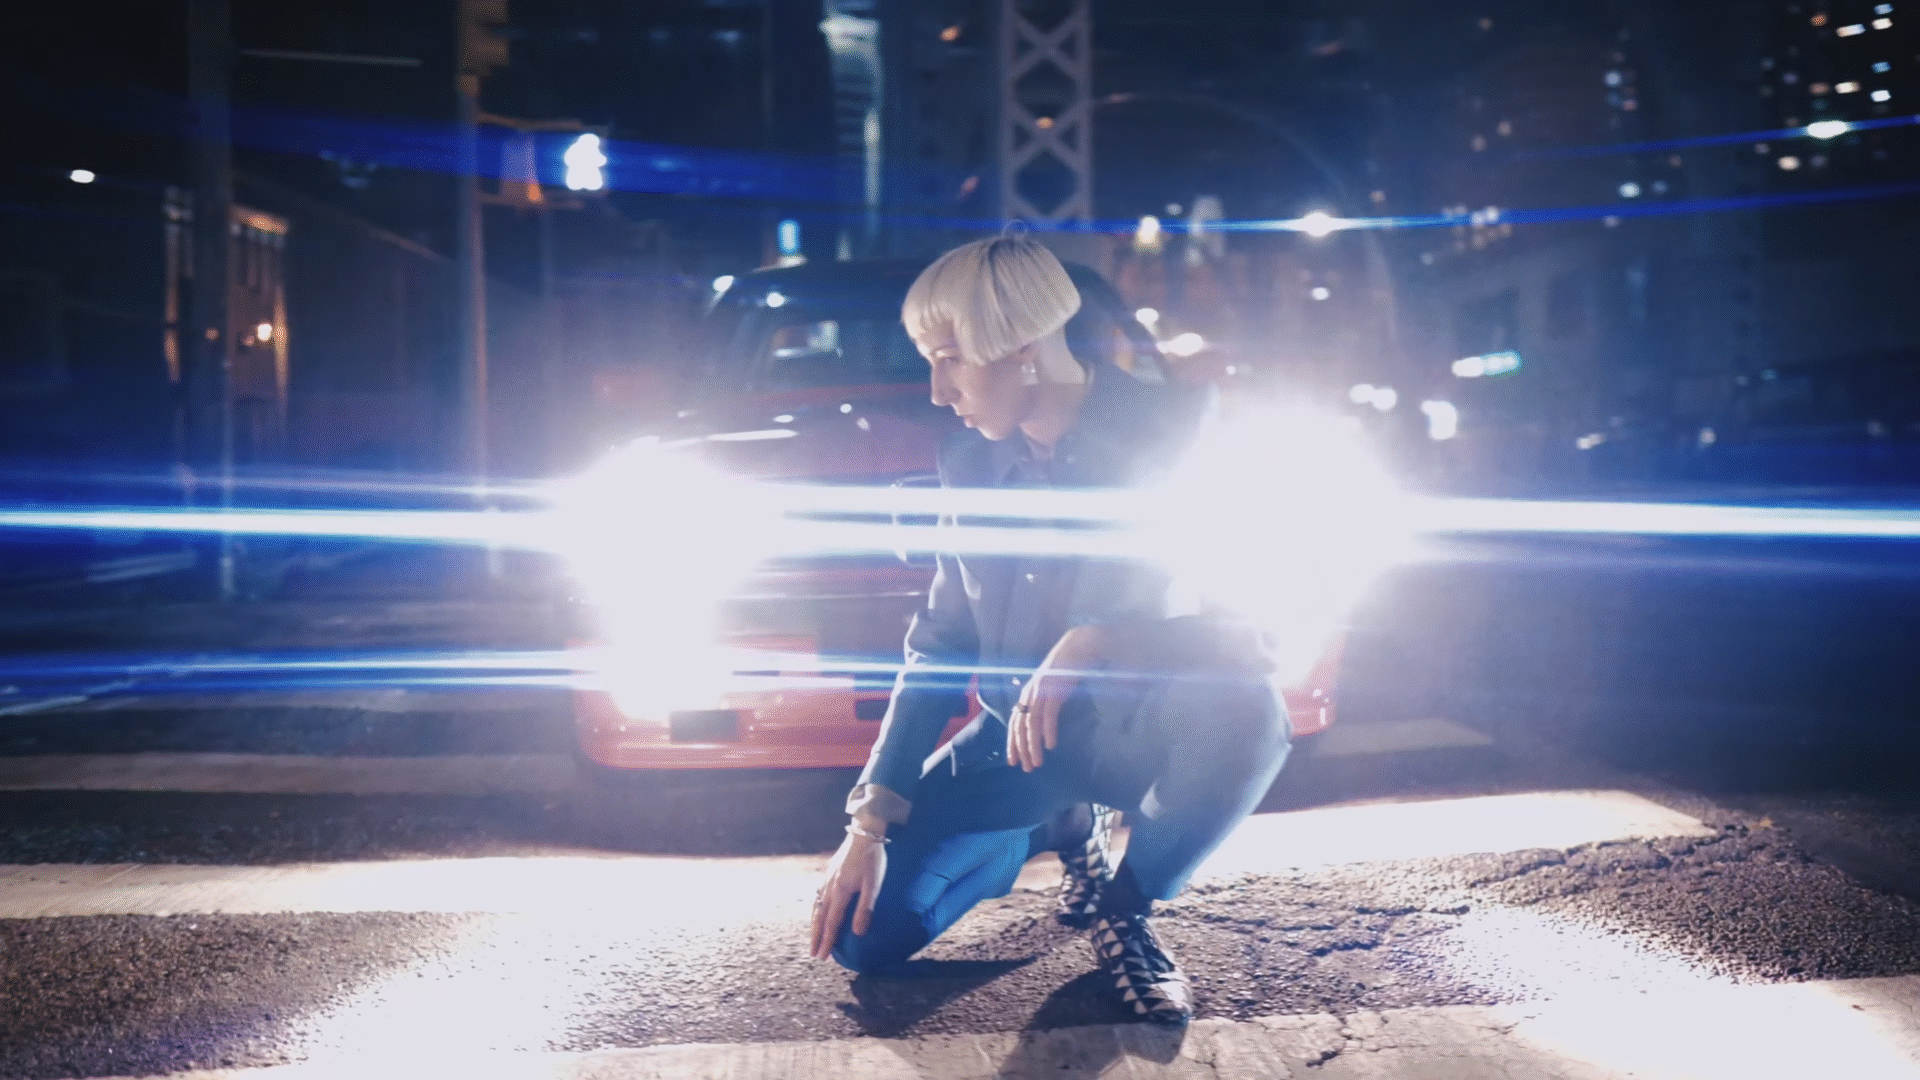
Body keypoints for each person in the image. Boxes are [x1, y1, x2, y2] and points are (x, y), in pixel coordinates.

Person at [807, 235, 1292, 1025]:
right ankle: (1054, 825)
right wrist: (869, 822)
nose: (938, 391)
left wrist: (1103, 640)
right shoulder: (968, 463)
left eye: (950, 360)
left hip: (1139, 730)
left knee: (1246, 710)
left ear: (1024, 350)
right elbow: (938, 645)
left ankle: (1126, 909)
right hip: (1015, 745)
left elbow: (1256, 640)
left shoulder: (1175, 431)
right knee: (863, 937)